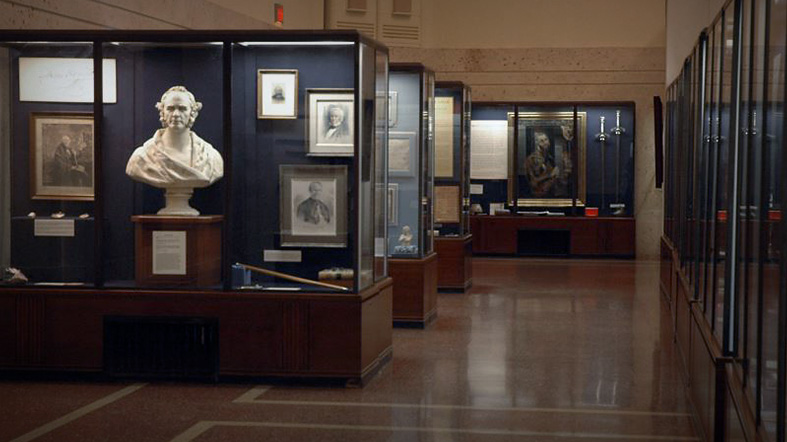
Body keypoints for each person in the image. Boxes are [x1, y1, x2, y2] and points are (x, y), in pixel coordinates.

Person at [125, 86, 223, 215]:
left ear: (192, 113)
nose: (176, 114)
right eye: (170, 108)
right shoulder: (142, 157)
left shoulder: (210, 157)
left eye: (182, 109)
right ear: (162, 112)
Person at [523, 131, 559, 197]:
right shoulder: (531, 159)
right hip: (538, 196)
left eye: (546, 139)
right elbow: (533, 182)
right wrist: (550, 175)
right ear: (537, 143)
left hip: (551, 194)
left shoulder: (550, 158)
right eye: (542, 141)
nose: (545, 142)